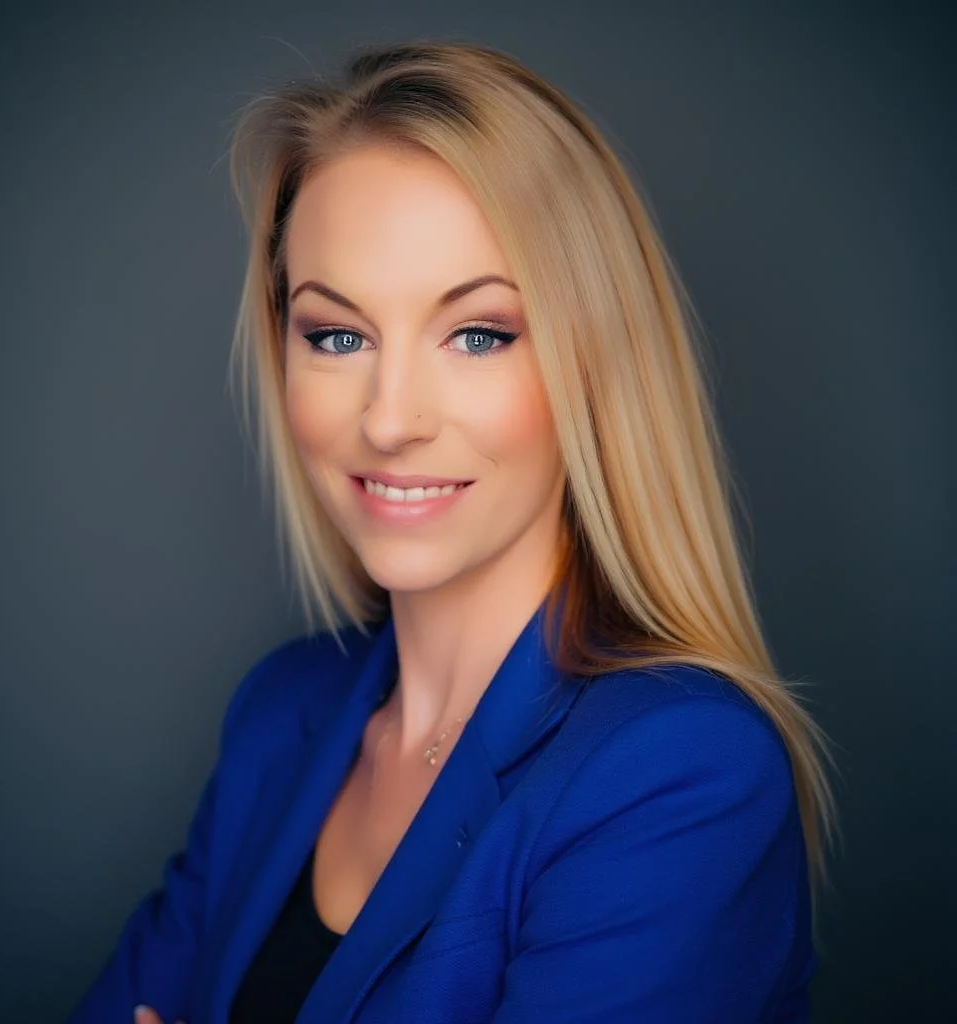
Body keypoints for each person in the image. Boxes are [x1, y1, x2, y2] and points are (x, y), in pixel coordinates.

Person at [68, 40, 837, 1024]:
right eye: (336, 335)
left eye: (478, 334)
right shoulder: (280, 712)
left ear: (592, 366)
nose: (389, 419)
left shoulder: (680, 773)